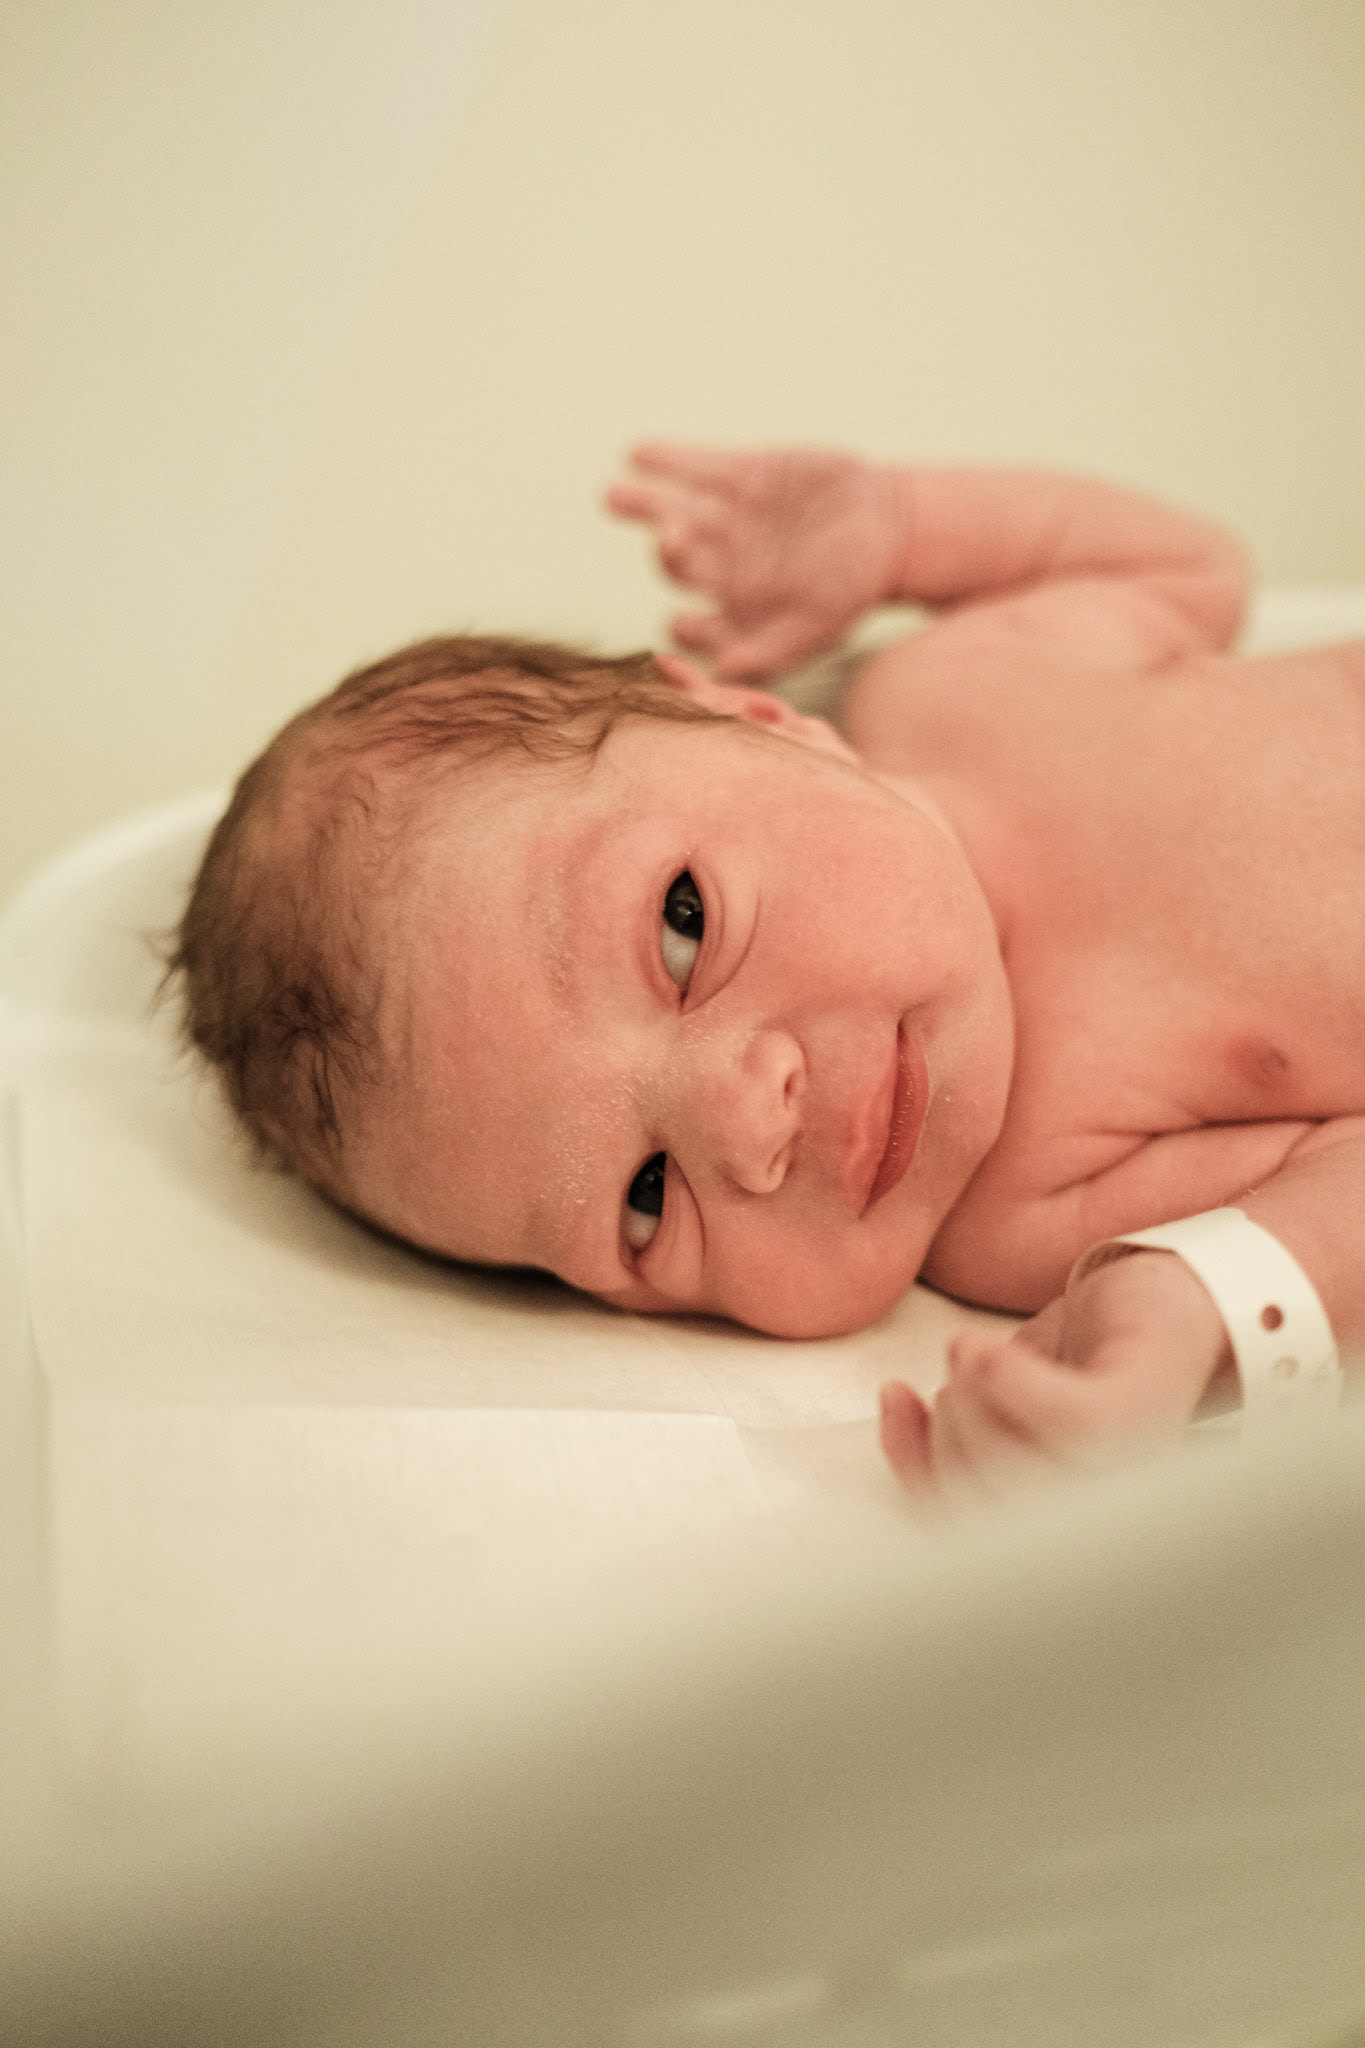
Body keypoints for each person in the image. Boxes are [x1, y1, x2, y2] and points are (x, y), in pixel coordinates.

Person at [172, 443, 1365, 1494]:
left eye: (683, 929)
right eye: (645, 1200)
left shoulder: (957, 686)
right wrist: (1194, 1308)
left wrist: (903, 524)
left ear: (756, 716)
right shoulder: (1022, 1203)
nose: (750, 1125)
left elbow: (1187, 568)